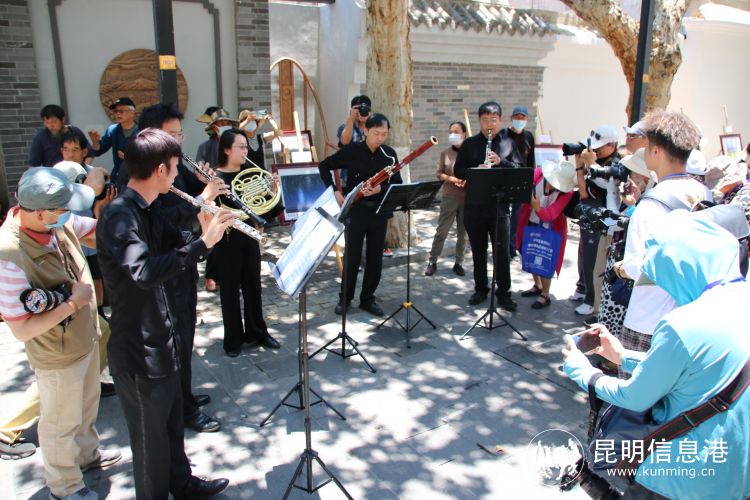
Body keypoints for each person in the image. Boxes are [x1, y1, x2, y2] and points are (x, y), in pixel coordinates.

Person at [562, 211, 750, 500]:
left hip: (679, 477)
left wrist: (583, 372)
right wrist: (623, 356)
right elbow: (700, 369)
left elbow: (634, 396)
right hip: (736, 471)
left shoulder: (684, 324)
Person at [96, 129, 232, 499]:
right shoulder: (119, 216)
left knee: (172, 426)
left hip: (162, 337)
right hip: (138, 351)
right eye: (174, 167)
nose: (177, 175)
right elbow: (143, 272)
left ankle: (182, 484)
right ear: (160, 170)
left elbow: (178, 244)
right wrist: (203, 243)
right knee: (150, 445)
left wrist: (205, 232)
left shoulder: (151, 207)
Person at [0, 167, 121, 500]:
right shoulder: (9, 255)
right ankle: (65, 487)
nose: (68, 213)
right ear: (39, 212)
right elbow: (22, 328)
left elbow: (94, 230)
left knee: (86, 408)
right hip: (56, 353)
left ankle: (87, 456)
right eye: (62, 209)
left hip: (85, 338)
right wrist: (72, 304)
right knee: (59, 424)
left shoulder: (56, 223)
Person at [137, 104, 228, 432]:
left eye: (179, 135)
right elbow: (161, 219)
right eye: (172, 135)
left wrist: (204, 183)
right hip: (165, 267)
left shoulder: (172, 165)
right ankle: (183, 411)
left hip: (184, 257)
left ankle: (184, 396)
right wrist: (202, 197)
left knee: (185, 336)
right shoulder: (144, 173)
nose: (178, 141)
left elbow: (191, 195)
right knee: (175, 341)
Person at [613, 111, 712, 353]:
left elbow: (637, 266)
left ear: (656, 151)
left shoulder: (651, 204)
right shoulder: (703, 192)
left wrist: (621, 269)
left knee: (637, 373)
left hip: (649, 317)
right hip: (690, 313)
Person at [319, 113, 403, 316]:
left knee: (375, 259)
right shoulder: (352, 151)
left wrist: (380, 189)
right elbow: (324, 166)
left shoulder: (389, 154)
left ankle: (367, 299)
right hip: (356, 211)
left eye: (384, 134)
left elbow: (397, 183)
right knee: (352, 257)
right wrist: (335, 191)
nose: (380, 138)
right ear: (366, 131)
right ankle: (345, 298)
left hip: (379, 212)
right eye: (376, 133)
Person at [213, 129, 281, 357]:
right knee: (230, 291)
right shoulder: (215, 179)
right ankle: (233, 340)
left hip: (250, 237)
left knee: (253, 286)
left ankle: (258, 332)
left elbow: (264, 208)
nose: (245, 151)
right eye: (241, 147)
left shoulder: (250, 175)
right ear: (226, 150)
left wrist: (272, 190)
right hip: (226, 240)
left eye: (246, 147)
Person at [454, 101, 525, 311]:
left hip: (499, 208)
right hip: (474, 206)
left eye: (493, 120)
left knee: (502, 253)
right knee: (478, 251)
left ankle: (504, 293)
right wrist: (475, 170)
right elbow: (458, 170)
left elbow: (519, 169)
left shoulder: (509, 142)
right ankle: (480, 289)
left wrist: (501, 162)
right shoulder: (469, 144)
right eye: (485, 120)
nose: (489, 124)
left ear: (500, 120)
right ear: (479, 121)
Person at [573, 125, 623, 318]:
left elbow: (607, 184)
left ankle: (592, 299)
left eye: (600, 147)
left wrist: (591, 164)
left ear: (612, 145)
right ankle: (585, 291)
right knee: (586, 256)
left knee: (596, 260)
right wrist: (581, 165)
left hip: (606, 219)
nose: (596, 150)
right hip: (591, 213)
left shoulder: (619, 163)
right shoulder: (599, 160)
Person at [516, 160, 575, 309]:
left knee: (545, 258)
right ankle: (537, 285)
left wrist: (537, 207)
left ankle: (545, 294)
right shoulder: (538, 175)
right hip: (530, 220)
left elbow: (551, 214)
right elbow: (522, 189)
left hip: (551, 227)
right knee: (530, 252)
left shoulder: (566, 193)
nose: (554, 186)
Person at [195, 108, 238, 293]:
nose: (224, 126)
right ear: (213, 127)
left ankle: (231, 275)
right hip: (213, 195)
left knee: (232, 236)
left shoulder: (234, 144)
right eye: (220, 123)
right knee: (214, 235)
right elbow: (199, 170)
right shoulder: (205, 147)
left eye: (226, 123)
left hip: (232, 192)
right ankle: (211, 275)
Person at [425, 121, 468, 277]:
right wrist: (452, 179)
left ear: (464, 134)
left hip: (467, 198)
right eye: (451, 132)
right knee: (441, 231)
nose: (453, 135)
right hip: (450, 197)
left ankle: (459, 262)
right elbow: (439, 174)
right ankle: (432, 261)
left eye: (456, 132)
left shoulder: (470, 153)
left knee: (463, 234)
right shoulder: (446, 153)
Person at [506, 106, 536, 259]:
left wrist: (531, 183)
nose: (519, 120)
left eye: (522, 118)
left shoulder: (529, 137)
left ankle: (513, 245)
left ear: (526, 119)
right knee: (504, 214)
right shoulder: (504, 135)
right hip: (505, 179)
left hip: (522, 180)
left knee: (517, 216)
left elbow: (531, 161)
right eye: (517, 117)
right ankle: (503, 244)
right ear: (511, 118)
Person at [88, 97, 139, 186]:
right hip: (117, 178)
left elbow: (149, 157)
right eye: (116, 111)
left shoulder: (143, 131)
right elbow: (99, 150)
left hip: (137, 177)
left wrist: (129, 158)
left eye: (121, 111)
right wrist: (95, 142)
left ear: (132, 112)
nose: (118, 114)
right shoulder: (113, 130)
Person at [28, 104, 92, 167]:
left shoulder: (75, 132)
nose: (51, 126)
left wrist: (82, 170)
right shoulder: (40, 138)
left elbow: (89, 154)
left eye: (54, 122)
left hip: (76, 171)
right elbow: (33, 165)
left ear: (63, 119)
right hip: (52, 172)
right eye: (47, 122)